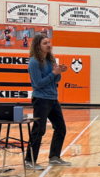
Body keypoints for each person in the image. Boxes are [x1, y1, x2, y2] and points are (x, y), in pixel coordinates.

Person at [26, 33, 69, 169]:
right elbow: (38, 83)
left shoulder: (51, 59)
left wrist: (59, 72)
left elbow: (56, 80)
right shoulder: (34, 62)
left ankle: (54, 157)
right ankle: (29, 161)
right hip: (41, 99)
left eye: (49, 42)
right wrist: (53, 73)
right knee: (39, 131)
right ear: (38, 46)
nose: (48, 45)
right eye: (45, 43)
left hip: (53, 99)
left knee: (61, 128)